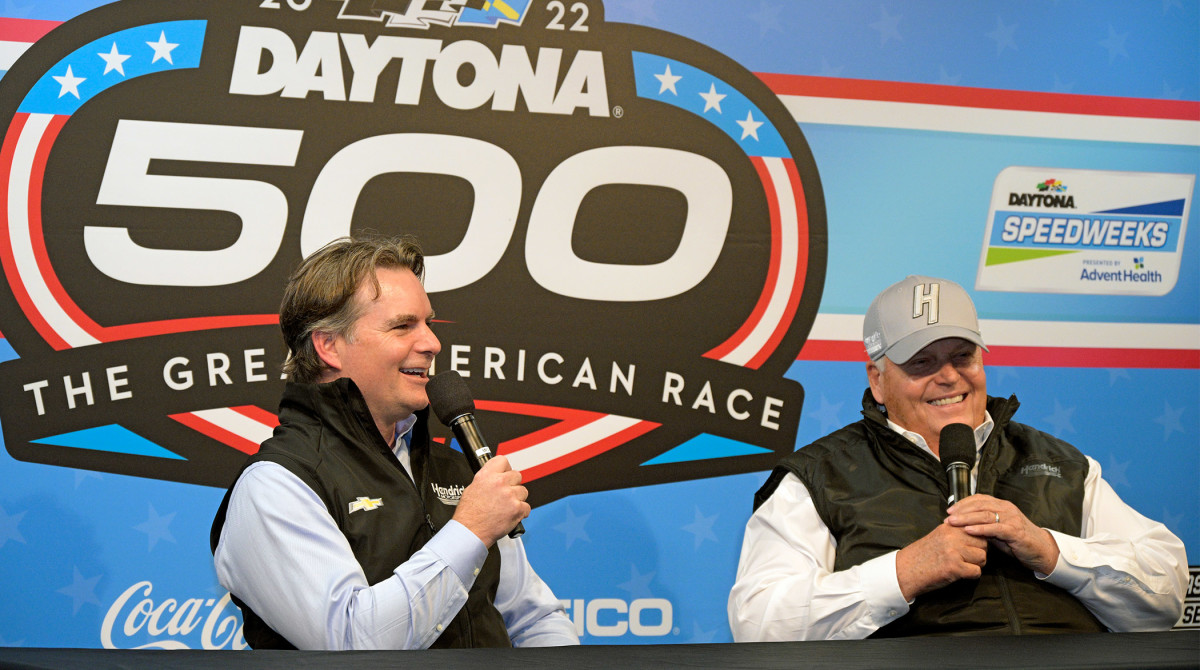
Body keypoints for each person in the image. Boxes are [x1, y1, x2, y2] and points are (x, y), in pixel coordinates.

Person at [728, 275, 1188, 639]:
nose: (948, 377)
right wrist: (904, 572)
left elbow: (1165, 596)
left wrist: (1051, 551)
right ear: (878, 380)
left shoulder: (1059, 462)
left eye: (962, 356)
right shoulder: (819, 475)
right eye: (921, 363)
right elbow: (759, 623)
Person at [211, 235, 578, 650]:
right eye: (403, 326)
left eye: (429, 324)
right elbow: (351, 644)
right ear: (328, 345)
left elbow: (533, 618)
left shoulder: (458, 470)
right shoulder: (277, 485)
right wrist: (471, 530)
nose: (432, 343)